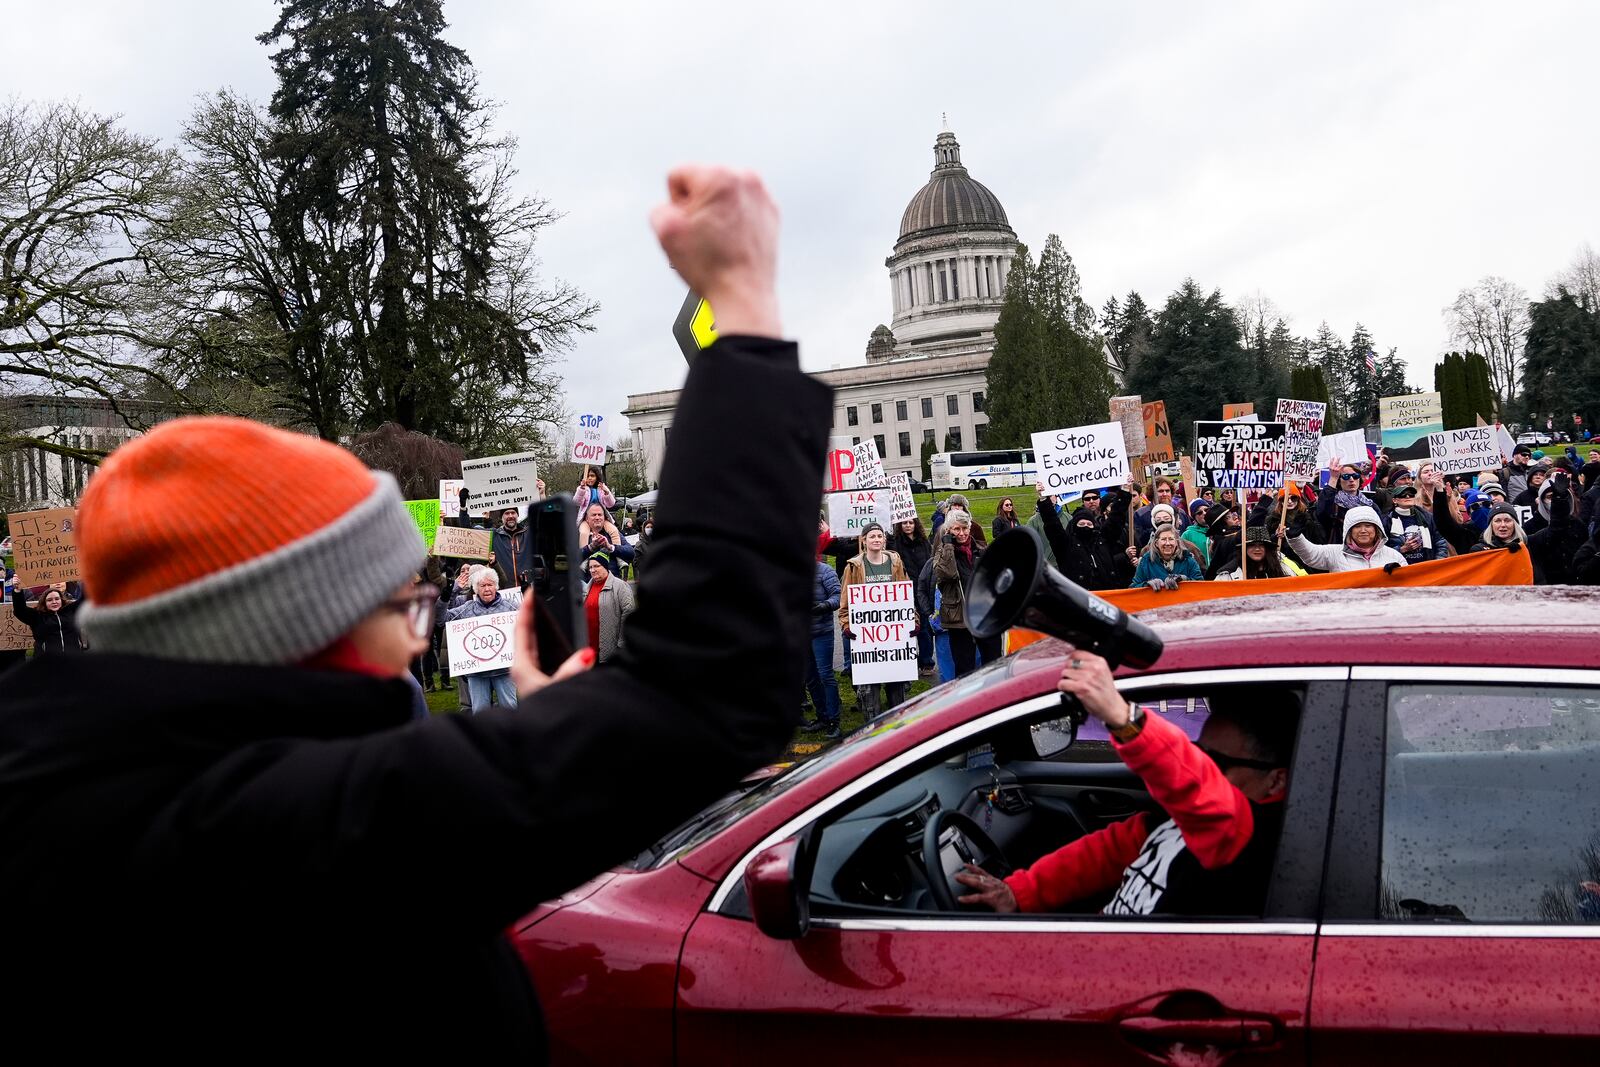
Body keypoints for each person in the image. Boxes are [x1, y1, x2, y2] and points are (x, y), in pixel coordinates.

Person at [0, 163, 833, 1062]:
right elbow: (705, 689)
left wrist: (554, 728)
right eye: (405, 600)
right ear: (295, 629)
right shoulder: (262, 839)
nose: (420, 629)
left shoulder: (78, 783)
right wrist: (742, 304)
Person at [955, 650, 1292, 917]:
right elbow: (1108, 851)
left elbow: (1197, 787)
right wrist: (1020, 892)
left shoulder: (1254, 837)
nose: (1204, 766)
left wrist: (1122, 717)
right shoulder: (1182, 821)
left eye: (1217, 762)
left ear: (1276, 780)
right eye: (1199, 752)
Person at [837, 522, 912, 716]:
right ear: (864, 540)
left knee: (897, 694)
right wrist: (846, 625)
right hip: (867, 642)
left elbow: (905, 596)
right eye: (872, 536)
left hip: (894, 640)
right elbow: (844, 603)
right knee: (871, 695)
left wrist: (914, 620)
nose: (876, 539)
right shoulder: (853, 567)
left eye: (880, 536)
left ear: (885, 540)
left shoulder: (895, 563)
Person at [447, 566, 523, 711]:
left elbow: (528, 629)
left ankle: (511, 734)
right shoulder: (466, 608)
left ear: (496, 586)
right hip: (477, 674)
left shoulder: (512, 607)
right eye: (483, 585)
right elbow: (440, 618)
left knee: (510, 710)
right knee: (480, 713)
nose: (487, 589)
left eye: (490, 584)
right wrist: (453, 590)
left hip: (504, 671)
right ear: (476, 589)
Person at [933, 510, 999, 676]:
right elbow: (948, 573)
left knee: (994, 663)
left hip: (984, 614)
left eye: (964, 528)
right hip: (959, 617)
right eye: (956, 529)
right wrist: (948, 545)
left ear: (970, 528)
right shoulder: (942, 553)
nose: (961, 533)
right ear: (949, 530)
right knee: (964, 667)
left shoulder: (981, 550)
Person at [1035, 487, 1118, 591]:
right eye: (1081, 524)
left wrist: (1125, 491)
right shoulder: (1066, 545)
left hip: (1107, 596)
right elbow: (1052, 525)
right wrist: (1043, 499)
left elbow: (1116, 520)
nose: (1086, 526)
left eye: (1089, 524)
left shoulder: (1101, 542)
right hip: (1079, 598)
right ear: (1075, 526)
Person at [1288, 505, 1407, 572]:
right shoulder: (1335, 553)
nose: (1363, 530)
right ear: (1349, 531)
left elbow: (1408, 582)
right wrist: (1295, 537)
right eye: (1357, 526)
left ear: (1377, 529)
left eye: (1368, 526)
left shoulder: (1394, 556)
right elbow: (1311, 554)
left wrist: (1398, 574)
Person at [801, 557, 843, 738]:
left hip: (821, 632)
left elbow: (838, 596)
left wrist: (823, 606)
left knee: (825, 674)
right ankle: (822, 717)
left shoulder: (825, 571)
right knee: (810, 677)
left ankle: (834, 719)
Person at [889, 517, 935, 675]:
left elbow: (930, 564)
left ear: (916, 524)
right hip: (905, 591)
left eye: (910, 522)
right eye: (904, 523)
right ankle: (911, 660)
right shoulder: (895, 543)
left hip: (923, 590)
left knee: (925, 627)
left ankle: (927, 662)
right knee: (910, 627)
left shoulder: (924, 542)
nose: (908, 525)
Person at [581, 553, 634, 664]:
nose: (592, 570)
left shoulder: (620, 586)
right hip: (588, 650)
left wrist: (621, 644)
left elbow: (629, 614)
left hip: (610, 650)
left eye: (596, 566)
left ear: (605, 566)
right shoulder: (587, 588)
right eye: (590, 567)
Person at [10, 582, 87, 655]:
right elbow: (20, 610)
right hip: (47, 662)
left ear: (61, 600)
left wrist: (88, 580)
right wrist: (17, 590)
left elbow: (85, 599)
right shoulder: (37, 616)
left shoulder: (71, 610)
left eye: (57, 599)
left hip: (73, 660)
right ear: (44, 602)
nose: (54, 602)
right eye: (49, 600)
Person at [1384, 484, 1448, 564]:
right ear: (1394, 500)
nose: (1408, 497)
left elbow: (1440, 541)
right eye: (1403, 495)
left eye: (1411, 494)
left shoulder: (1427, 517)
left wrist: (1438, 562)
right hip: (1401, 569)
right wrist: (1402, 549)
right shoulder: (1387, 521)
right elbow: (1382, 549)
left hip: (1427, 567)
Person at [1130, 527, 1203, 591]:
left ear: (1177, 542)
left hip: (1182, 604)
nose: (1167, 543)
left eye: (1171, 539)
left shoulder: (1188, 560)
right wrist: (1147, 585)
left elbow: (1201, 586)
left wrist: (1184, 579)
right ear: (1156, 543)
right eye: (1163, 539)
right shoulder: (1146, 561)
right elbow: (1133, 588)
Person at [1214, 528, 1301, 580]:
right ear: (1245, 548)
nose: (1257, 549)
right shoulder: (1228, 575)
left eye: (1261, 545)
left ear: (1267, 548)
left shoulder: (1283, 568)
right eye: (1252, 545)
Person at [577, 501, 634, 577]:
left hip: (612, 581)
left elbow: (631, 553)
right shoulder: (579, 535)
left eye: (600, 515)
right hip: (588, 584)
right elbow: (571, 558)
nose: (597, 518)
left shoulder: (613, 533)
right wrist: (590, 547)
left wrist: (611, 547)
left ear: (604, 517)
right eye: (594, 515)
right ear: (587, 518)